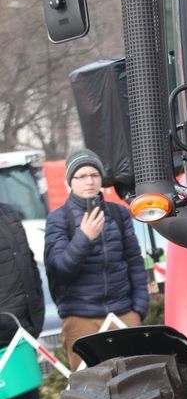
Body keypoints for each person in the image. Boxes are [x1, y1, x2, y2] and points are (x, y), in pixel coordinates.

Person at [44, 149, 150, 369]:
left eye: (94, 175)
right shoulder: (58, 219)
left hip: (124, 314)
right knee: (89, 389)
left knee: (137, 383)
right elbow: (59, 270)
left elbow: (135, 263)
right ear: (70, 182)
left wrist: (138, 309)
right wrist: (84, 238)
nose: (89, 181)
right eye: (81, 176)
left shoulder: (119, 214)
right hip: (81, 318)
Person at [0, 201, 59, 399]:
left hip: (19, 331)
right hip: (1, 332)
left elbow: (27, 264)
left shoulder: (9, 213)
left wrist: (33, 315)